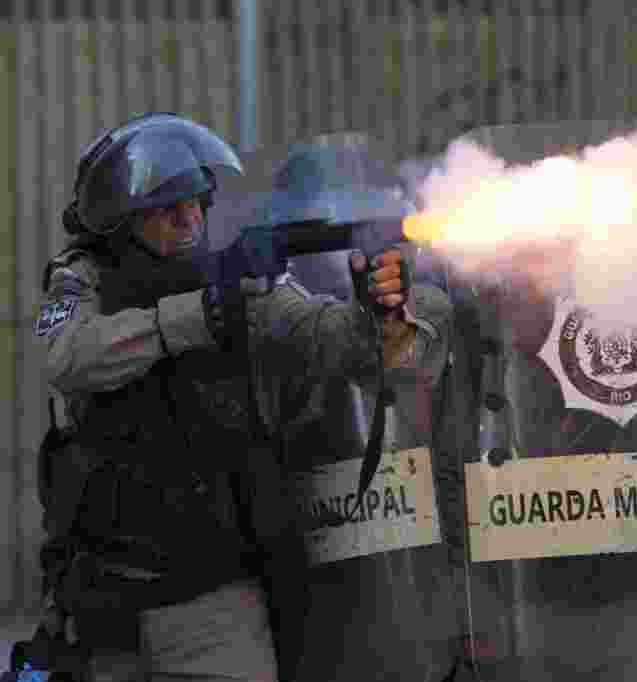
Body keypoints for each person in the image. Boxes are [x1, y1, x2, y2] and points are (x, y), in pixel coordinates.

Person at [32, 113, 451, 682]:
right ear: (124, 223)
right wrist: (197, 315)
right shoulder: (85, 281)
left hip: (217, 606)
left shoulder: (243, 293)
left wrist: (379, 316)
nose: (189, 219)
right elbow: (66, 358)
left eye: (197, 204)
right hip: (103, 605)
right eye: (167, 209)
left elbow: (337, 343)